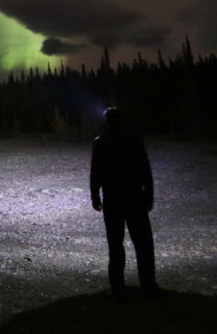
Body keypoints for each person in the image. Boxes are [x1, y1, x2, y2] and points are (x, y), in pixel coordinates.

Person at [90, 107, 159, 302]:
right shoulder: (133, 140)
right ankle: (149, 285)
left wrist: (95, 196)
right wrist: (149, 196)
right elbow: (146, 170)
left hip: (113, 198)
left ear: (107, 121)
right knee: (143, 243)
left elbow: (95, 172)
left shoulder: (101, 143)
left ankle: (118, 288)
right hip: (135, 197)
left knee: (115, 244)